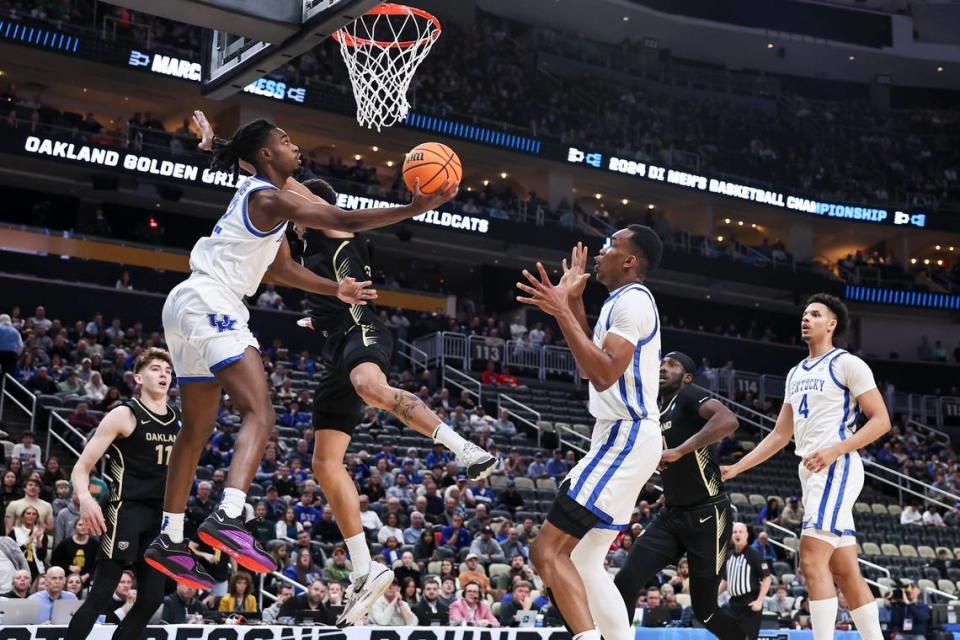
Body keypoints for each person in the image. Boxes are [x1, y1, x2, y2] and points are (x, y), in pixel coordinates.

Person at [145, 110, 456, 590]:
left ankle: (170, 536)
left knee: (197, 429)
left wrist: (338, 291)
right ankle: (229, 515)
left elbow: (282, 270)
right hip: (213, 301)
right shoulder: (272, 197)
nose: (296, 146)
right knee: (260, 414)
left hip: (184, 305)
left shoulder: (260, 194)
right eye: (286, 140)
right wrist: (413, 209)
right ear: (268, 154)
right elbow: (341, 218)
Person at [290, 177, 497, 626]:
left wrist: (237, 151)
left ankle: (465, 448)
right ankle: (365, 569)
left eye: (297, 200)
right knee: (325, 464)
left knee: (370, 384)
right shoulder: (300, 247)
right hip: (334, 348)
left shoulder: (334, 226)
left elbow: (300, 193)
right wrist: (315, 318)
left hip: (361, 330)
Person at [516, 234, 663, 640]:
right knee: (583, 557)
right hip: (622, 437)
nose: (601, 251)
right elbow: (589, 366)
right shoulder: (618, 303)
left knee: (545, 551)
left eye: (610, 245)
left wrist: (562, 309)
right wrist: (574, 305)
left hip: (626, 435)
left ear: (630, 259)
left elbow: (604, 373)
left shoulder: (633, 301)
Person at [722, 293, 891, 640]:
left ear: (832, 324)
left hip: (837, 465)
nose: (806, 318)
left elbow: (881, 420)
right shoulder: (795, 372)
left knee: (811, 560)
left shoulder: (847, 363)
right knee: (845, 570)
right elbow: (781, 434)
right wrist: (737, 467)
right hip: (811, 470)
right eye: (804, 313)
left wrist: (835, 449)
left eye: (815, 314)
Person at [613, 351, 743, 638]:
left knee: (705, 611)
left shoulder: (689, 396)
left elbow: (729, 420)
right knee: (626, 579)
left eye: (672, 365)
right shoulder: (656, 410)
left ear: (687, 377)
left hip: (708, 515)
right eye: (661, 364)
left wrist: (680, 450)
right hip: (671, 514)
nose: (663, 368)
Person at [66, 348, 180, 640]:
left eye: (167, 370)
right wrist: (86, 498)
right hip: (125, 510)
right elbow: (82, 467)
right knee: (102, 593)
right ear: (139, 377)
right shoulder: (124, 413)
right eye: (156, 369)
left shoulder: (181, 420)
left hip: (162, 517)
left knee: (152, 598)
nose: (164, 374)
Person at [718, 522, 771, 639]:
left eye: (740, 532)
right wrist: (712, 596)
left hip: (749, 604)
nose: (737, 534)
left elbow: (767, 578)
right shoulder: (729, 556)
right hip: (733, 604)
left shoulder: (754, 555)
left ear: (746, 535)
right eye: (734, 532)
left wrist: (759, 601)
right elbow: (726, 580)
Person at [51, 518, 98, 587]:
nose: (83, 527)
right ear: (74, 527)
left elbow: (97, 564)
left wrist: (87, 575)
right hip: (67, 580)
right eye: (80, 525)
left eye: (86, 525)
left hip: (88, 580)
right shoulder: (65, 544)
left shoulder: (94, 544)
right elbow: (54, 561)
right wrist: (69, 567)